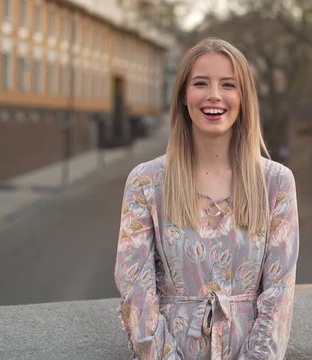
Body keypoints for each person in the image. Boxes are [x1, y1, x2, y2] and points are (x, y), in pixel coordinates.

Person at [114, 37, 299, 360]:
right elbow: (136, 291)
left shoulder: (276, 183)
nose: (214, 95)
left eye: (228, 84)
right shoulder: (146, 183)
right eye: (201, 83)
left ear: (244, 98)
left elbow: (279, 295)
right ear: (184, 97)